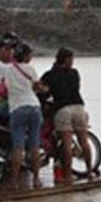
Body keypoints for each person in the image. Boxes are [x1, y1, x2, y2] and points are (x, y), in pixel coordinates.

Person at [40, 47, 93, 183]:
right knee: (84, 142)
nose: (73, 61)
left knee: (66, 144)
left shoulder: (50, 75)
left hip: (62, 110)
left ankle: (68, 175)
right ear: (66, 59)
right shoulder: (74, 73)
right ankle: (89, 172)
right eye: (72, 59)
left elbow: (43, 91)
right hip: (79, 108)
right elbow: (77, 88)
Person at [1, 42, 46, 190]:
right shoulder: (31, 69)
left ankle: (14, 182)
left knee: (18, 148)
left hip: (17, 109)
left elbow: (5, 89)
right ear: (26, 56)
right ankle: (37, 180)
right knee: (34, 146)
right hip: (34, 107)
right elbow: (37, 87)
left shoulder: (7, 70)